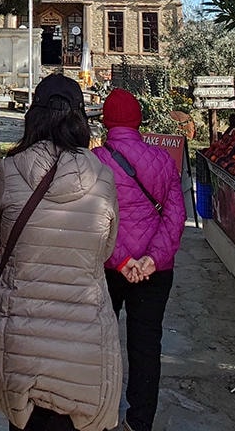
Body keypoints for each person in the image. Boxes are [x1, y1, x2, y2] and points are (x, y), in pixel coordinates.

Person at [0, 73, 121, 431]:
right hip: (83, 331)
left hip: (20, 326)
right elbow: (104, 249)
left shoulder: (10, 171)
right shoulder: (102, 176)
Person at [92, 89, 186, 431]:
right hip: (154, 270)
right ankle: (139, 419)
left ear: (105, 121)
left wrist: (122, 260)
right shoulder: (162, 160)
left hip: (109, 267)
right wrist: (151, 259)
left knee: (101, 339)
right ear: (139, 121)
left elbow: (93, 221)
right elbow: (175, 216)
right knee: (146, 343)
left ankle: (100, 412)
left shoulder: (95, 161)